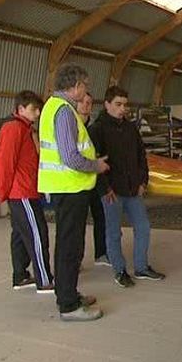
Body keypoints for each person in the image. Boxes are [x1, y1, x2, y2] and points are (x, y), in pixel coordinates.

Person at [38, 63, 109, 322]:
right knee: (70, 247)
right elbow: (70, 156)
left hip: (67, 187)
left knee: (70, 244)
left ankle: (68, 293)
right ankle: (68, 305)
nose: (87, 90)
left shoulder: (53, 107)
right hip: (70, 187)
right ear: (75, 85)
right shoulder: (65, 112)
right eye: (85, 85)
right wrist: (96, 165)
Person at [89, 85, 165, 288]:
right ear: (107, 104)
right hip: (111, 192)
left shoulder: (131, 128)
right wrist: (106, 189)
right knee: (113, 233)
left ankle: (141, 267)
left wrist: (143, 181)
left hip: (133, 189)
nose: (122, 109)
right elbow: (94, 162)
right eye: (118, 104)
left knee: (143, 227)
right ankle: (119, 270)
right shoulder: (97, 130)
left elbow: (142, 156)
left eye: (125, 105)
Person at [0, 90, 54, 293]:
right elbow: (4, 163)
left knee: (20, 234)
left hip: (24, 191)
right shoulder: (14, 129)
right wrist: (2, 193)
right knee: (38, 233)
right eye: (33, 109)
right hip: (22, 193)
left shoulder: (24, 128)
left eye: (38, 109)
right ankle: (44, 280)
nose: (37, 113)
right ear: (20, 109)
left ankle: (20, 276)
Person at [76, 92, 109, 267]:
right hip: (78, 181)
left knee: (101, 216)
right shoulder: (72, 126)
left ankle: (101, 253)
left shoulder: (96, 128)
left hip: (95, 179)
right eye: (82, 101)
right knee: (78, 223)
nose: (86, 105)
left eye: (89, 102)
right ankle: (77, 259)